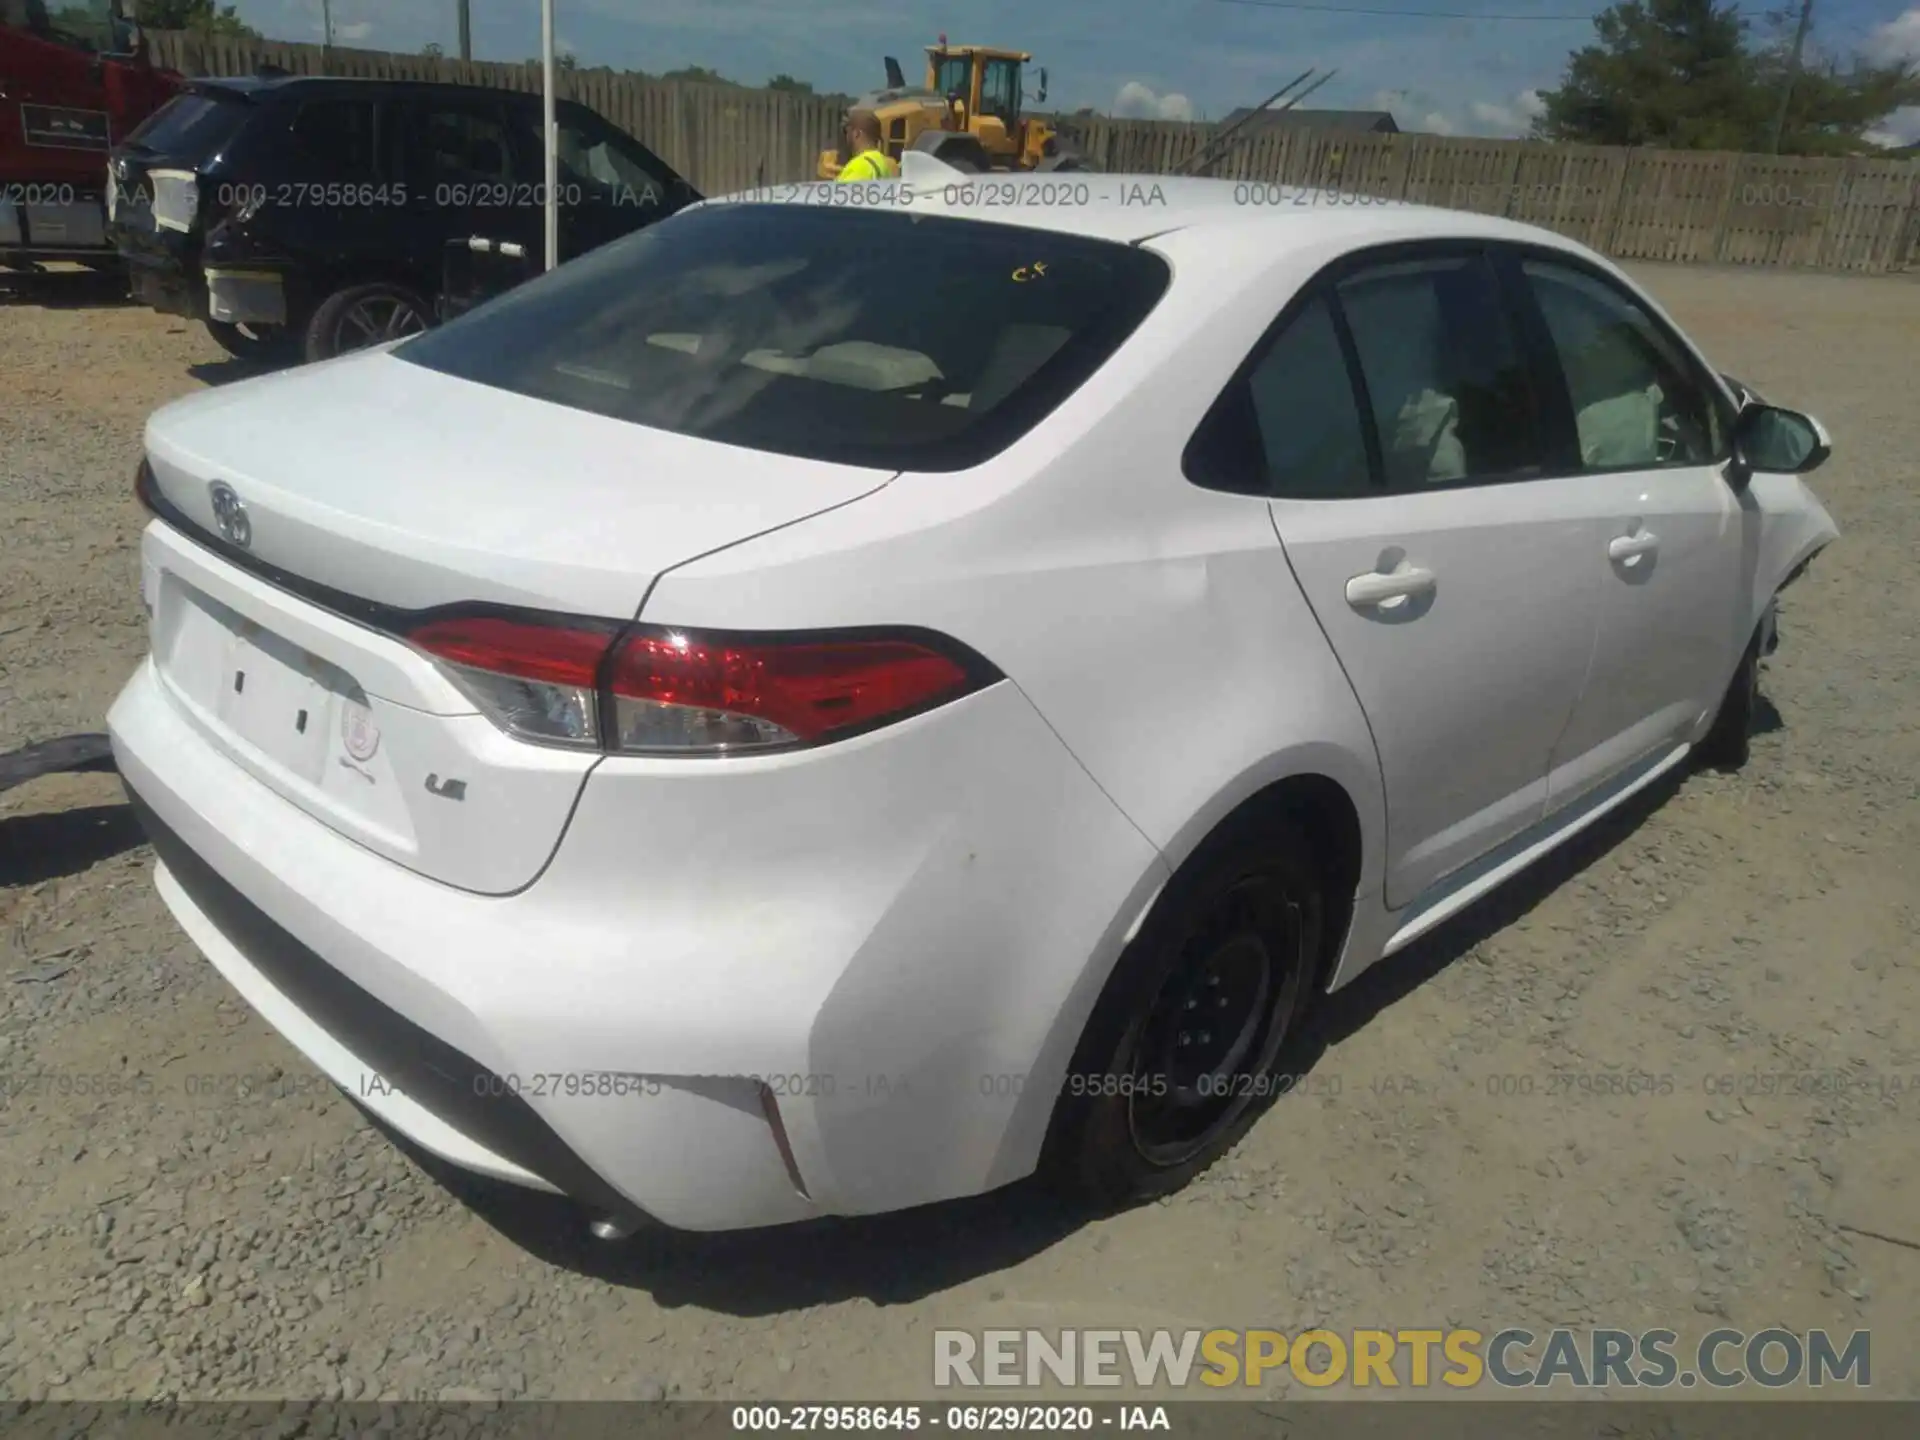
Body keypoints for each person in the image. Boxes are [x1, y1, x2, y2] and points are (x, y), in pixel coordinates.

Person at [836, 111, 900, 181]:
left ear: (857, 133)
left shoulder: (860, 166)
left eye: (846, 132)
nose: (846, 136)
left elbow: (846, 191)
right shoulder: (883, 163)